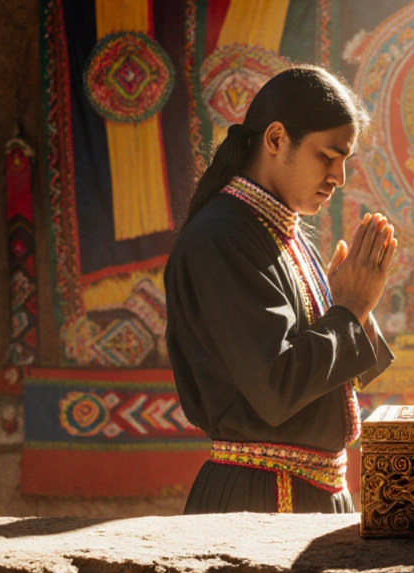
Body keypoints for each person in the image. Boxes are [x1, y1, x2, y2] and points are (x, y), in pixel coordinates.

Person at [165, 66, 397, 514]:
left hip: (310, 492)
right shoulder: (221, 237)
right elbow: (277, 387)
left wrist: (349, 311)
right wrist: (349, 310)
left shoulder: (282, 232)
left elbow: (320, 373)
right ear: (275, 139)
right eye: (328, 155)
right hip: (263, 498)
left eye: (345, 160)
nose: (339, 176)